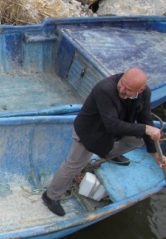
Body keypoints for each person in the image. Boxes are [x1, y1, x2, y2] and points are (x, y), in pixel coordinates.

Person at [42, 68, 165, 216]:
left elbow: (145, 119)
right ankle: (50, 196)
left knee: (138, 139)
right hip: (90, 133)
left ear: (141, 89)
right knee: (73, 166)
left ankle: (109, 153)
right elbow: (112, 124)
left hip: (115, 133)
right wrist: (146, 129)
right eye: (122, 84)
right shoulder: (105, 89)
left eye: (129, 90)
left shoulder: (145, 93)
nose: (123, 90)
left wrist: (155, 153)